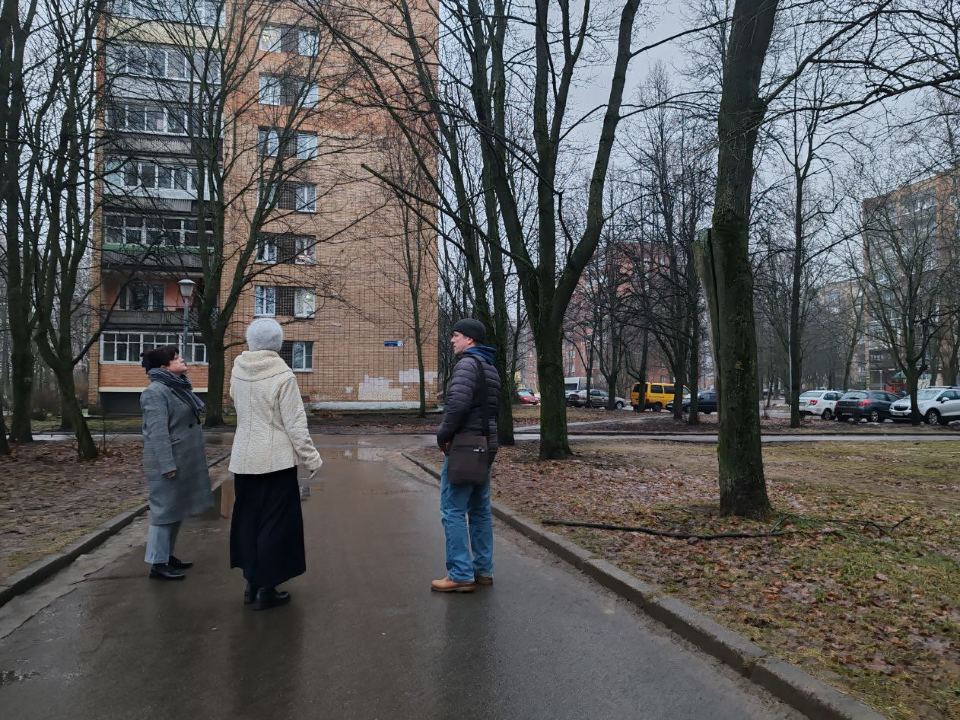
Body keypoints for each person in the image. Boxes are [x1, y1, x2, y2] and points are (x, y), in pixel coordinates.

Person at [228, 318, 323, 611]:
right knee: (275, 524)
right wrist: (311, 458)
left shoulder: (237, 370)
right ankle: (266, 590)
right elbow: (295, 424)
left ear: (250, 341)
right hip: (276, 462)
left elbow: (238, 406)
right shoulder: (283, 375)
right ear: (278, 344)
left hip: (244, 459)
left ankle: (251, 584)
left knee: (248, 521)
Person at [432, 318, 501, 593]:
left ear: (470, 339)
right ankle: (483, 570)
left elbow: (457, 407)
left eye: (456, 335)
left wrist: (441, 434)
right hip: (486, 447)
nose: (452, 340)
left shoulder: (467, 365)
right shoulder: (489, 367)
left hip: (464, 447)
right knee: (480, 510)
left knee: (453, 510)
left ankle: (460, 574)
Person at [140, 345, 214, 580]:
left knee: (176, 510)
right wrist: (167, 465)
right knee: (164, 513)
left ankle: (167, 556)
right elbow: (157, 433)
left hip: (182, 458)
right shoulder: (155, 392)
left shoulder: (176, 388)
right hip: (167, 461)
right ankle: (157, 563)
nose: (182, 359)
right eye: (176, 358)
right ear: (164, 368)